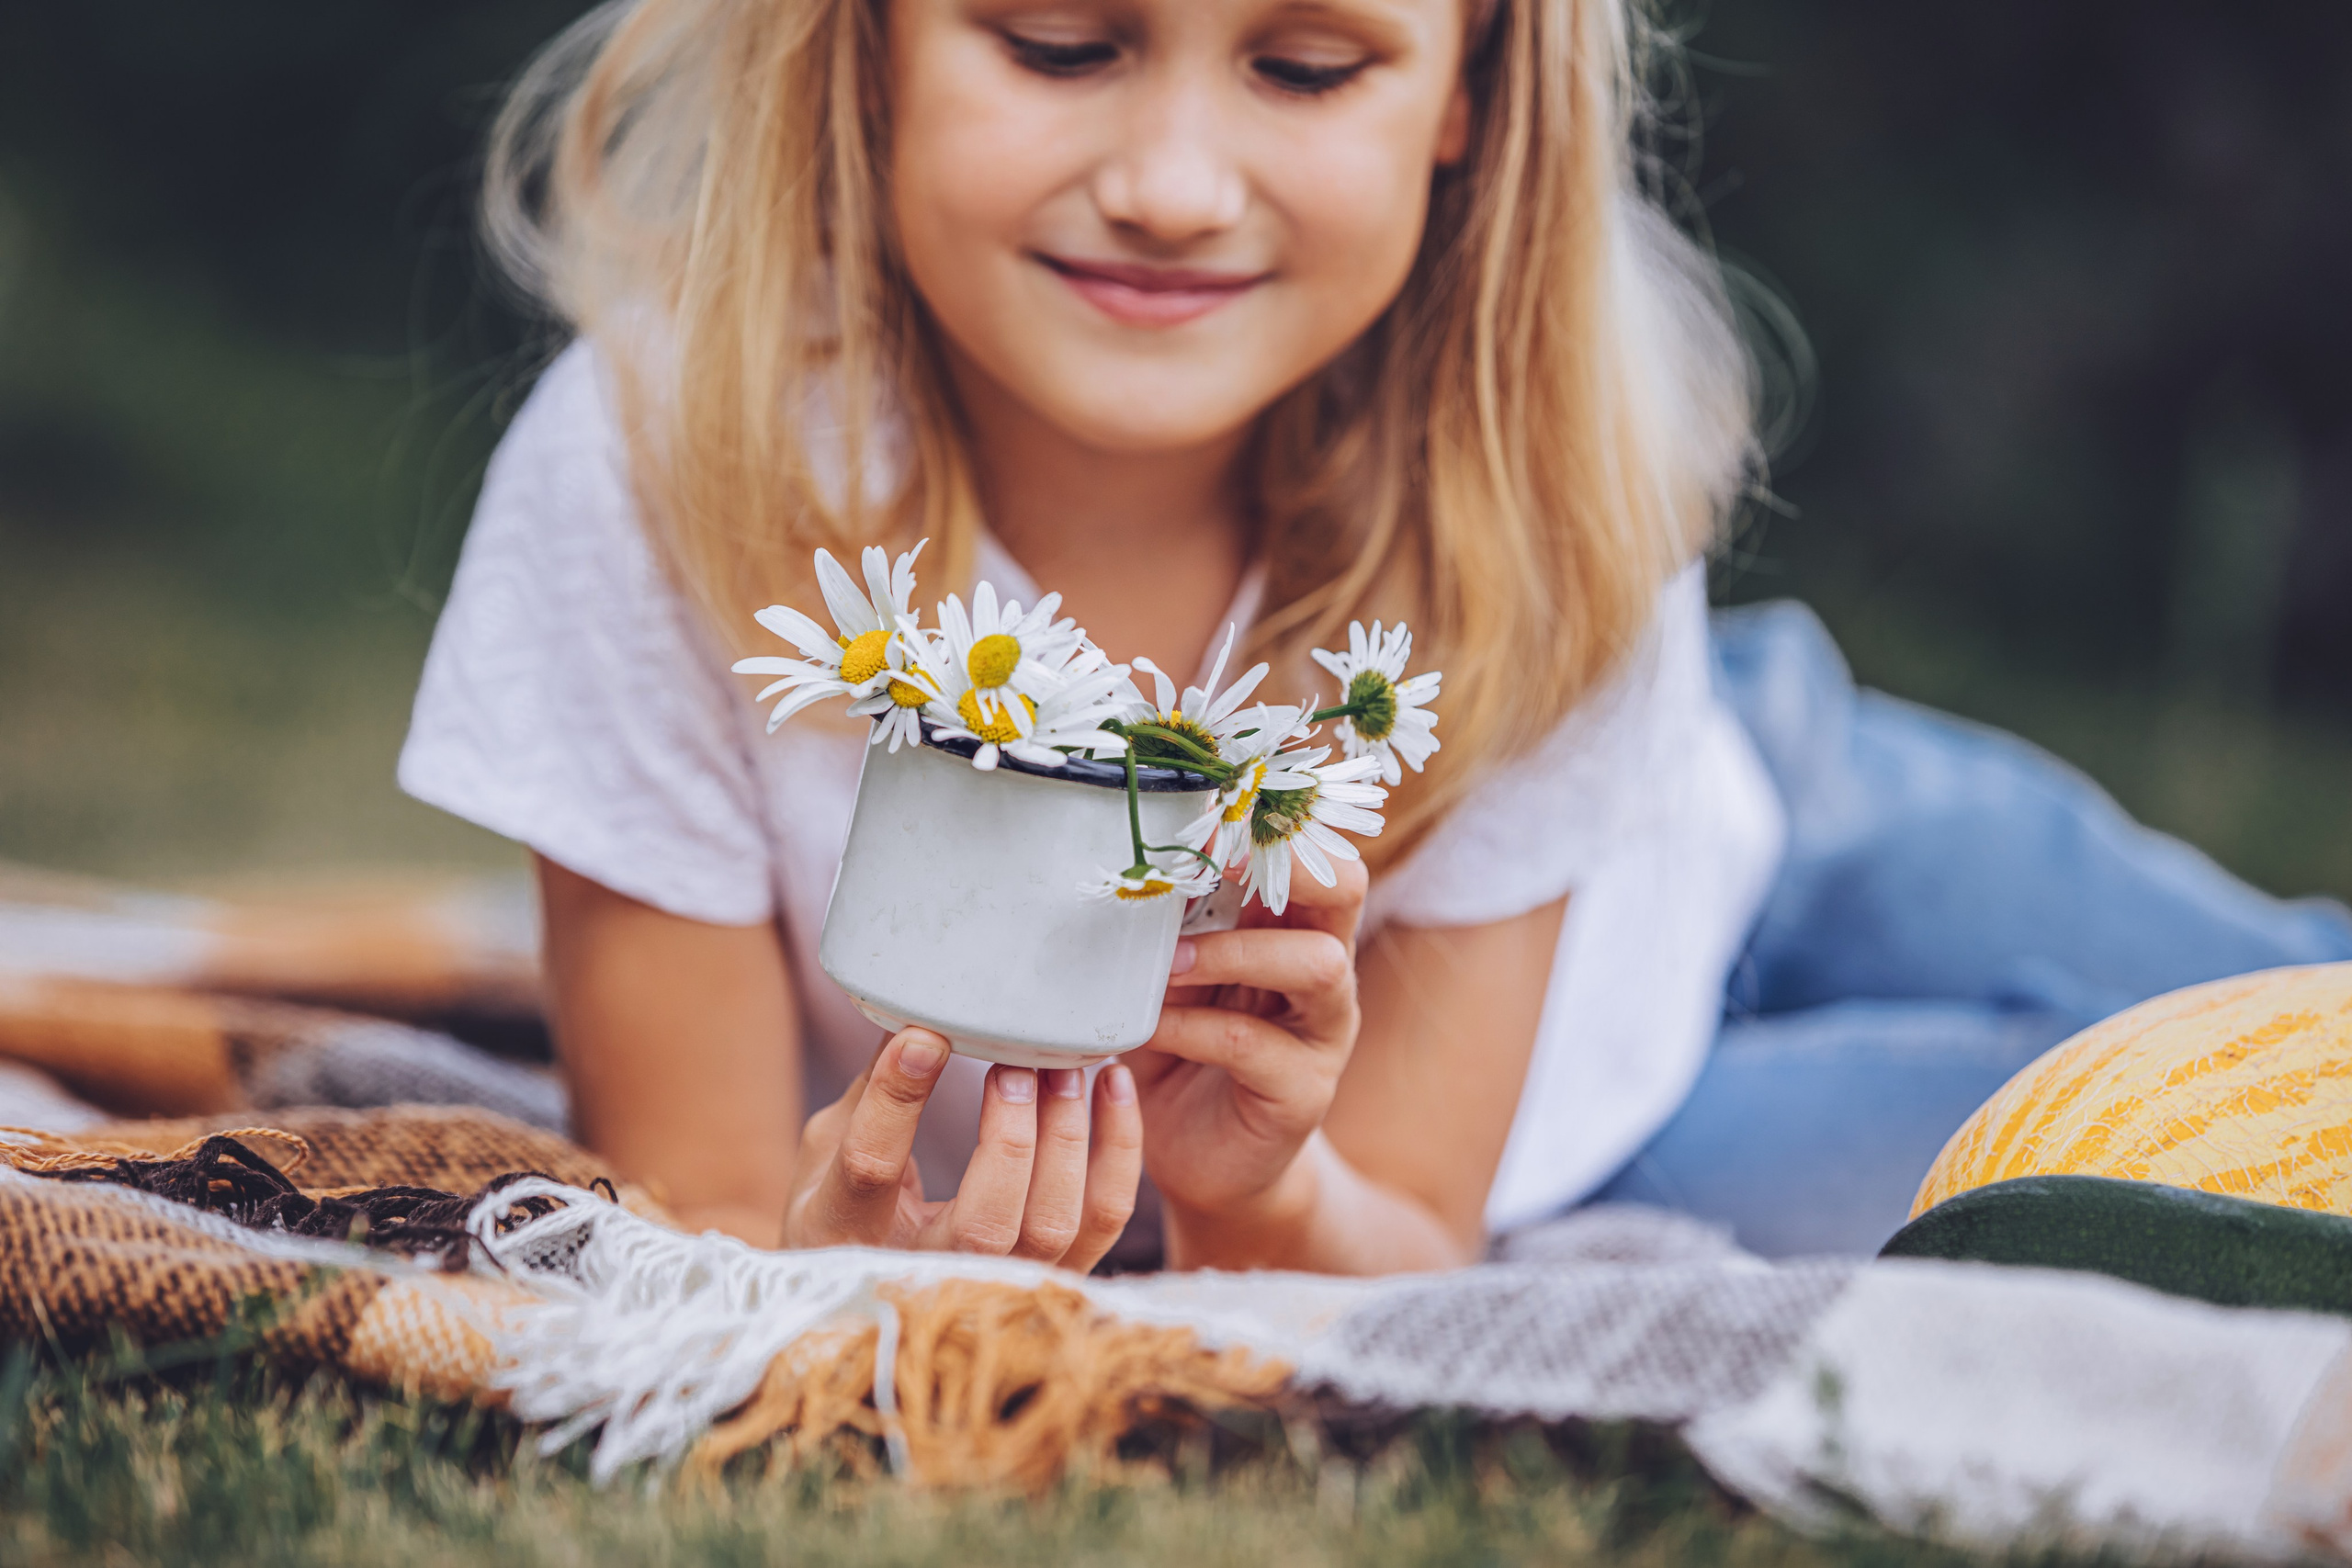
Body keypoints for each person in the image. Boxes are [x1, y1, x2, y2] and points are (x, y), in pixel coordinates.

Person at [400, 0, 2352, 1269]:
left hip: (1748, 776)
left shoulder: (1542, 495)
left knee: (2292, 999)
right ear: (864, 50)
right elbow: (715, 1216)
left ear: (1467, 102)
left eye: (1307, 66)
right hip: (1617, 1125)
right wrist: (1216, 1193)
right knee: (2146, 1198)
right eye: (1060, 44)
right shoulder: (661, 475)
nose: (1168, 187)